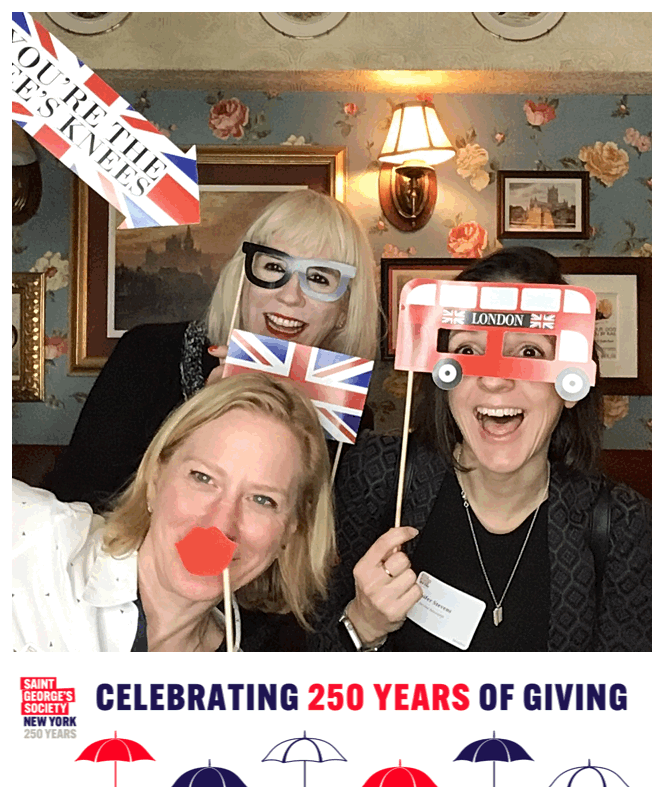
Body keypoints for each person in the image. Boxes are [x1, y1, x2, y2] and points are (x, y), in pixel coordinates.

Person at [311, 247, 651, 652]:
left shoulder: (626, 525)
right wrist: (361, 627)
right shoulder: (373, 476)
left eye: (529, 353)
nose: (494, 380)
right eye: (469, 351)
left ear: (571, 385)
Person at [42, 189, 378, 512]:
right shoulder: (147, 354)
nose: (290, 296)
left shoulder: (345, 414)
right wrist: (203, 418)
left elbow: (322, 538)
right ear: (243, 279)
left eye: (319, 279)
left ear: (344, 310)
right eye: (274, 267)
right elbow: (78, 504)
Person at [13, 373, 335, 652]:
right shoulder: (38, 536)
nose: (220, 525)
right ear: (155, 479)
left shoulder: (247, 685)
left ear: (291, 529)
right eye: (203, 478)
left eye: (262, 500)